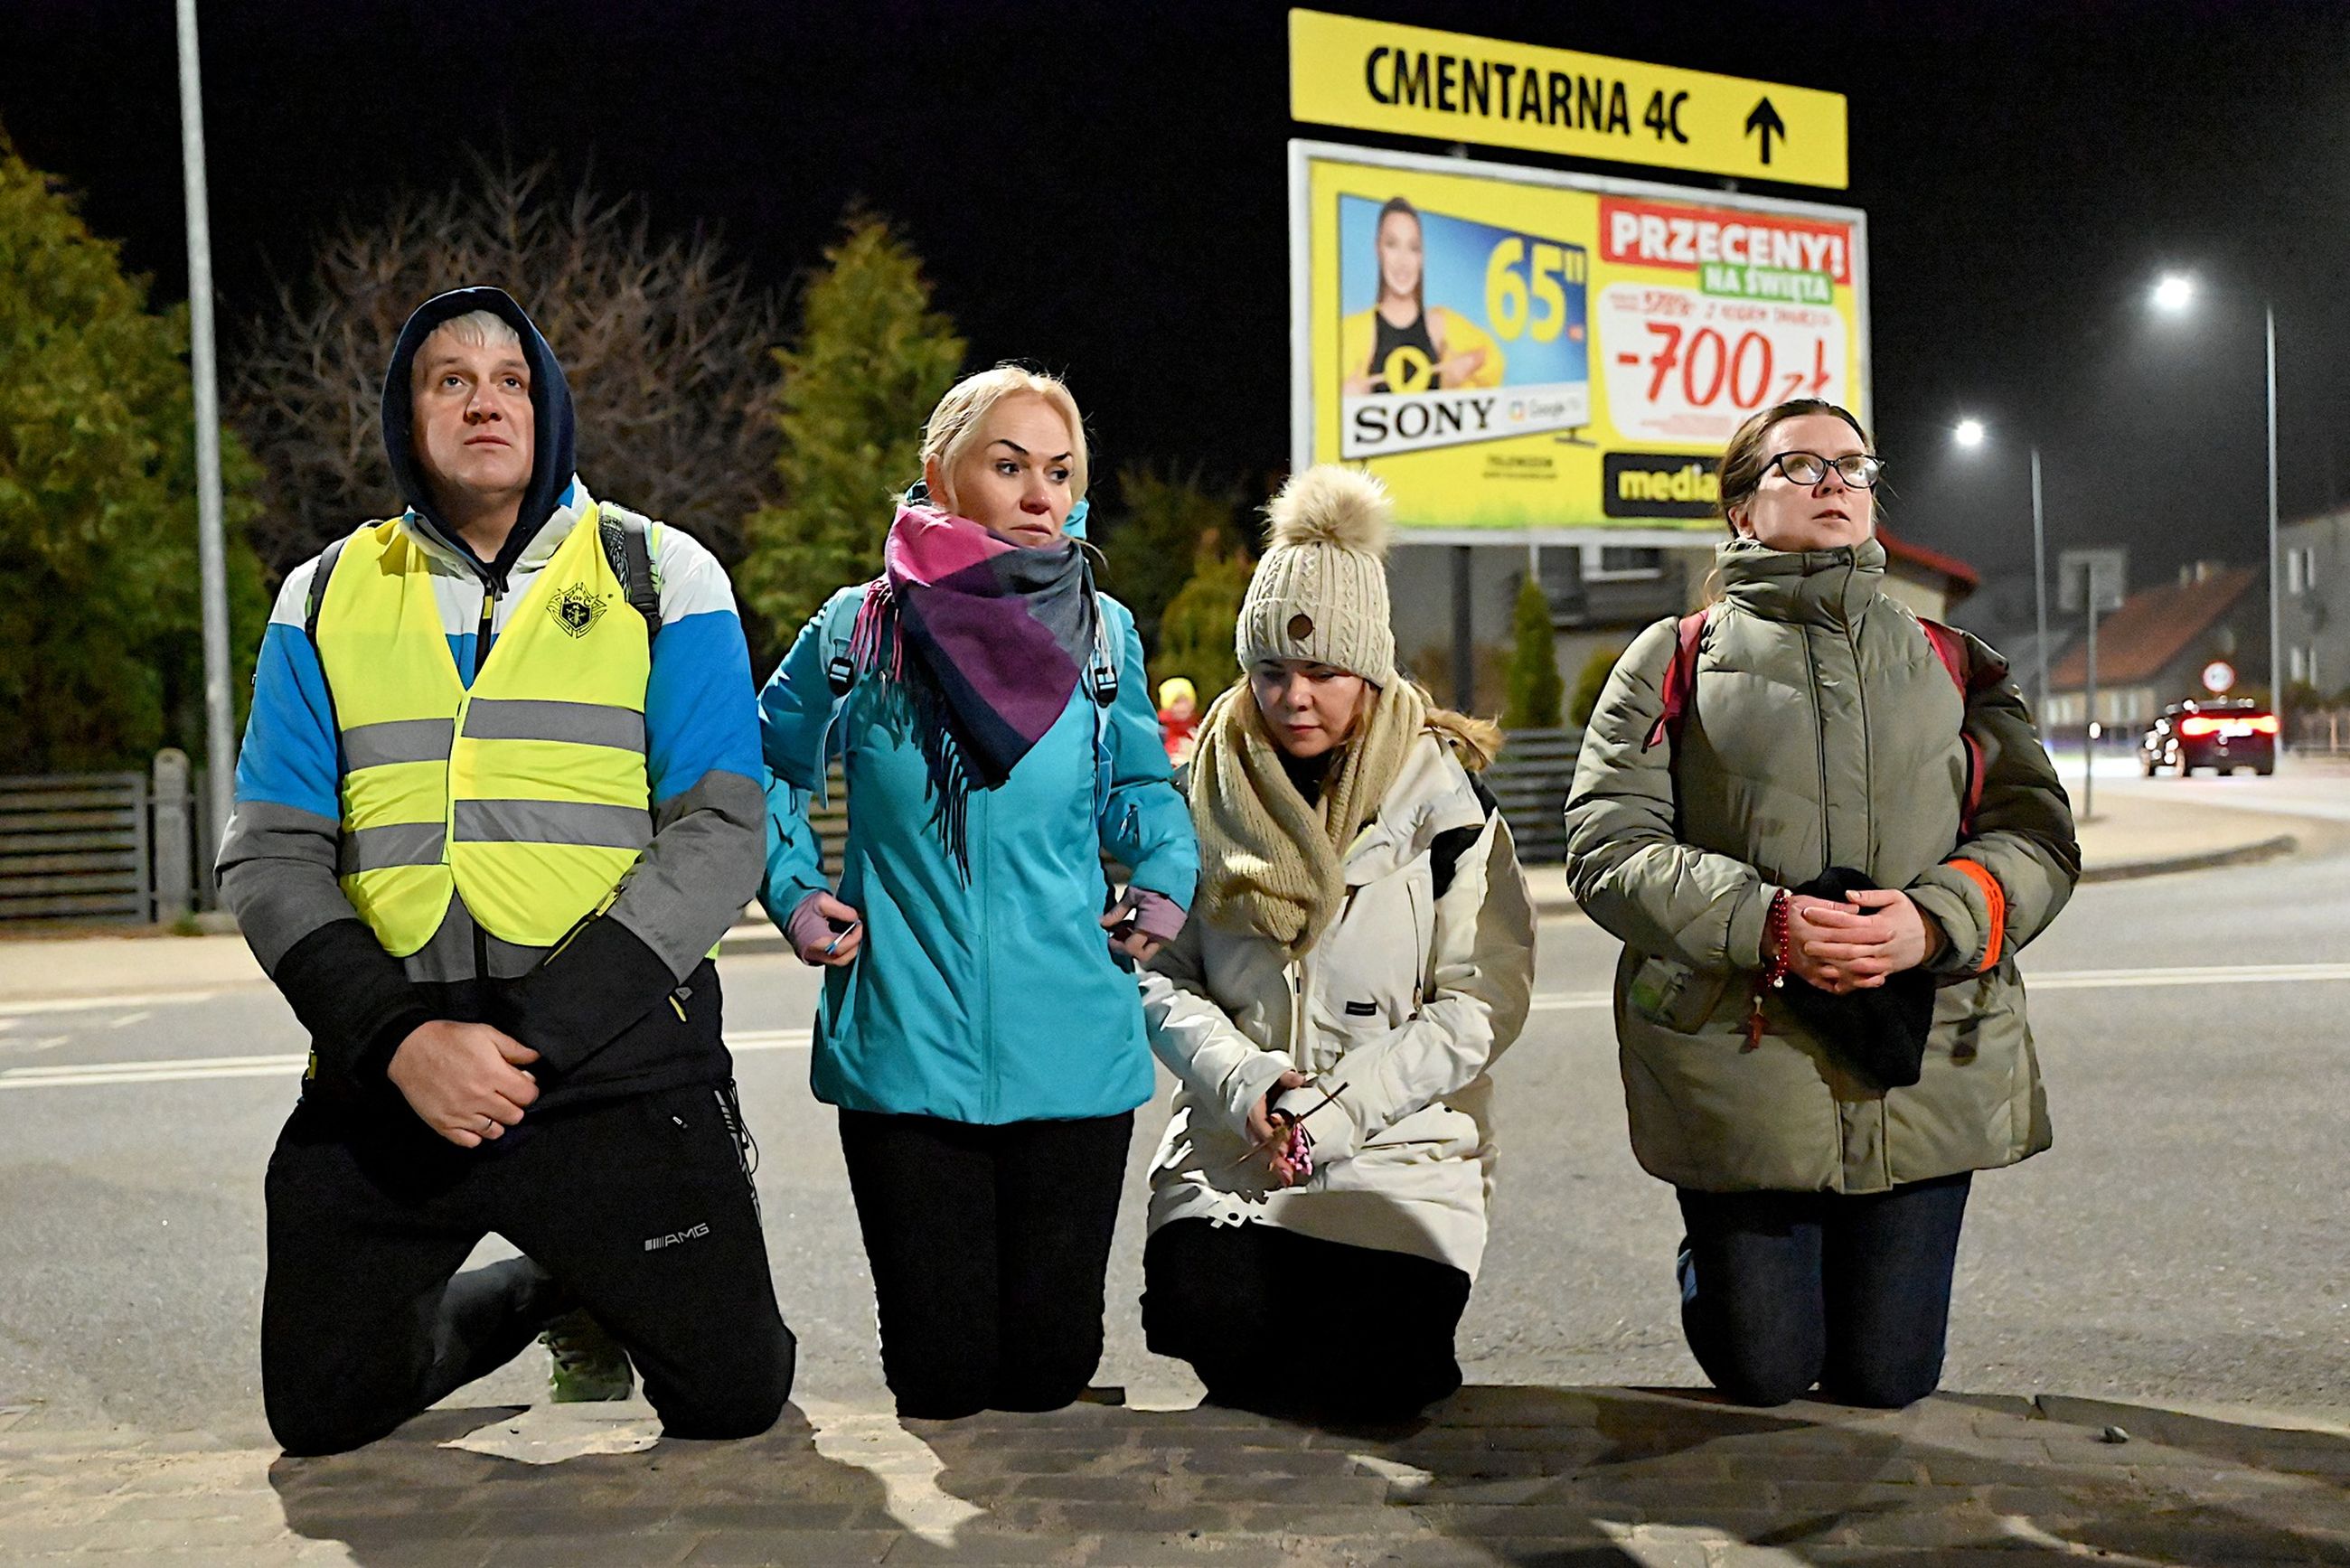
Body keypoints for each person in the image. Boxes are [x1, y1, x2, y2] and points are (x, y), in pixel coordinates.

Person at [219, 287, 793, 1455]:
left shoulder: (662, 571)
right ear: (408, 414)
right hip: (398, 1062)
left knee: (733, 1397)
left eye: (511, 380)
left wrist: (535, 1034)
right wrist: (397, 1038)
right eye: (451, 380)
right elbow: (272, 853)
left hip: (608, 1057)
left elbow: (721, 828)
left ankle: (602, 1269)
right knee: (320, 1412)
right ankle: (551, 1285)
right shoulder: (320, 594)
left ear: (549, 408)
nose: (484, 401)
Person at [1563, 398, 2079, 1410]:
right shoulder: (1673, 657)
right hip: (1745, 1048)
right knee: (1762, 1366)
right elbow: (1606, 845)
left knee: (1888, 1377)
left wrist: (1936, 918)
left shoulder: (1951, 659)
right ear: (1742, 509)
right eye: (1799, 465)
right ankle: (1721, 1265)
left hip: (1916, 1046)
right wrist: (1766, 922)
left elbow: (2038, 837)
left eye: (1853, 465)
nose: (1834, 482)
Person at [758, 366, 1198, 1422]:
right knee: (940, 1379)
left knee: (1049, 1373)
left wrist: (1161, 875)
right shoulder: (860, 630)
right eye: (1009, 466)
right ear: (940, 472)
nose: (1040, 494)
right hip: (904, 1046)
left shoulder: (1102, 633)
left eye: (1060, 470)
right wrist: (792, 887)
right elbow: (761, 761)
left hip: (1072, 1044)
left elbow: (1137, 785)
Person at [1135, 465, 1535, 1423]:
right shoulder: (1197, 795)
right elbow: (1160, 977)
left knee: (1382, 1381)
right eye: (1271, 670)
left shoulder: (1447, 808)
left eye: (1322, 672)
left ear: (1370, 670)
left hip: (1400, 1146)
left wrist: (1336, 1110)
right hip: (1238, 1140)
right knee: (1212, 1324)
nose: (1294, 696)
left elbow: (1482, 1000)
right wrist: (1250, 1084)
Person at [1340, 197, 1504, 398]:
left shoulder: (1442, 325)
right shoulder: (1350, 331)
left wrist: (1467, 366)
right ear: (1378, 249)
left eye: (1413, 248)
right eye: (1392, 244)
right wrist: (1343, 399)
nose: (1403, 261)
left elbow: (1492, 361)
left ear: (1421, 256)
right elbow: (1319, 391)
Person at [1157, 675, 1200, 765]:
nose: (1182, 707)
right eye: (1176, 702)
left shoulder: (1199, 730)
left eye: (1186, 701)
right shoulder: (1157, 734)